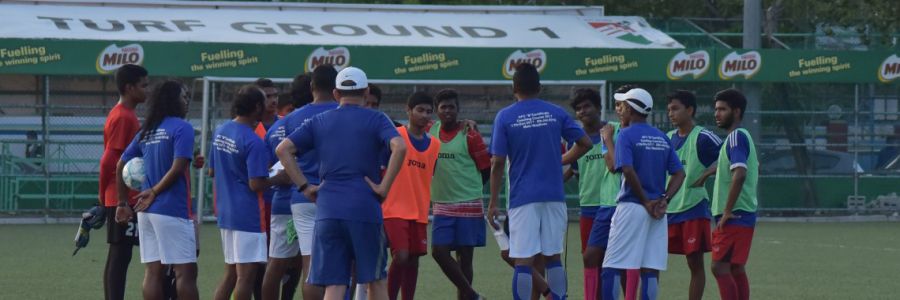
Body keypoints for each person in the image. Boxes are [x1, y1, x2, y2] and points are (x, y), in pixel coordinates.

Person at [276, 66, 405, 300]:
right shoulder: (377, 119)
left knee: (334, 285)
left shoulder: (319, 120)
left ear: (336, 94)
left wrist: (305, 187)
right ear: (366, 93)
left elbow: (282, 149)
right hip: (364, 208)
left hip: (328, 209)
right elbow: (400, 146)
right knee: (375, 280)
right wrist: (384, 187)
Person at [487, 63, 592, 300]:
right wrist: (560, 160)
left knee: (523, 259)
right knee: (553, 257)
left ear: (514, 88)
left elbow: (497, 163)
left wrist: (493, 201)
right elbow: (586, 143)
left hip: (523, 198)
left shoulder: (505, 116)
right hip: (554, 195)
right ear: (540, 88)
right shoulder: (556, 112)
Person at [115, 80, 198, 300]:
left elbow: (120, 164)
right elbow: (178, 166)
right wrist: (155, 191)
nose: (187, 101)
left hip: (146, 212)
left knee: (153, 272)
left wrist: (123, 203)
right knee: (186, 273)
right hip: (171, 209)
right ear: (172, 100)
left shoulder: (148, 130)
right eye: (183, 96)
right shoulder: (183, 127)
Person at [600, 88, 685, 300]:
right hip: (657, 212)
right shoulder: (661, 136)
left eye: (623, 106)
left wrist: (646, 201)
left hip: (632, 206)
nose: (620, 111)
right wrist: (664, 199)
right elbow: (680, 173)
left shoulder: (626, 134)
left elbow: (626, 169)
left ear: (629, 108)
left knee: (611, 265)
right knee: (650, 269)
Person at [263, 65, 339, 300]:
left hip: (299, 197)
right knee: (334, 266)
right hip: (335, 195)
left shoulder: (292, 119)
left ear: (312, 86)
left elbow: (273, 152)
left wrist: (301, 184)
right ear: (336, 87)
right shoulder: (343, 112)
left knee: (295, 264)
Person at [210, 86, 286, 300]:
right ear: (256, 108)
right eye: (264, 102)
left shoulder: (221, 131)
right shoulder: (253, 141)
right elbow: (256, 184)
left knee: (230, 273)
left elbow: (211, 170)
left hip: (225, 212)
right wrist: (279, 178)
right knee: (246, 276)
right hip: (247, 215)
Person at [428, 89, 490, 300]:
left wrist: (470, 191)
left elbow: (486, 168)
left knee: (465, 259)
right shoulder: (430, 131)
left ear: (458, 110)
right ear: (436, 111)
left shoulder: (470, 134)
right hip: (442, 204)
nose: (448, 111)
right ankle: (473, 295)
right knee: (438, 252)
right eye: (443, 107)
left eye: (452, 107)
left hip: (469, 203)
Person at [380, 91, 440, 300]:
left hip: (419, 211)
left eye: (428, 111)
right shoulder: (395, 137)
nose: (424, 115)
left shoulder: (435, 144)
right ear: (408, 111)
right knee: (402, 256)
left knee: (413, 260)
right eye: (420, 110)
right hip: (393, 208)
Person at [564, 88, 622, 300]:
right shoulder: (575, 141)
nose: (582, 111)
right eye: (578, 109)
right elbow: (575, 172)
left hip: (615, 206)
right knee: (591, 260)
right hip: (588, 208)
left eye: (586, 106)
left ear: (598, 107)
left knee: (615, 261)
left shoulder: (615, 131)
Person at [665, 90, 722, 300]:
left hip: (693, 208)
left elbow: (731, 157)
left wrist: (707, 172)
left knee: (694, 264)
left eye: (675, 108)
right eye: (669, 109)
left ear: (690, 110)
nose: (671, 114)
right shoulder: (666, 138)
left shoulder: (704, 137)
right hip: (666, 209)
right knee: (650, 262)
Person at [99, 63, 147, 300]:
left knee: (121, 254)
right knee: (120, 255)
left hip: (122, 195)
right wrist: (108, 199)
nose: (146, 90)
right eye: (143, 85)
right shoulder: (124, 117)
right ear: (129, 88)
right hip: (120, 197)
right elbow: (109, 161)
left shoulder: (125, 114)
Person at [711, 88, 758, 300]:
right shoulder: (741, 136)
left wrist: (727, 210)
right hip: (745, 214)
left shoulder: (736, 136)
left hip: (734, 215)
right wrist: (707, 173)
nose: (717, 114)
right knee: (736, 267)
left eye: (722, 109)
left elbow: (739, 174)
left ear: (736, 112)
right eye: (716, 109)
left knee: (719, 267)